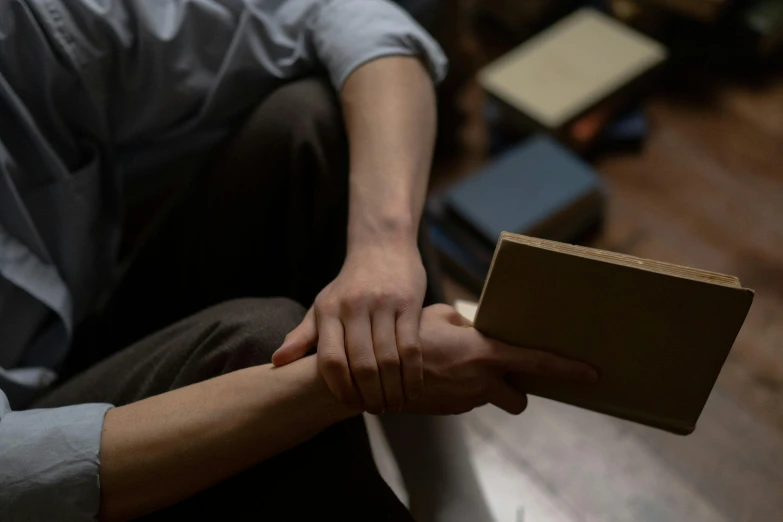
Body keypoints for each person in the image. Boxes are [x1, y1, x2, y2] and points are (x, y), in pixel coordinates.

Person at [0, 0, 598, 520]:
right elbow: (16, 474)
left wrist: (382, 249)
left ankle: (452, 503)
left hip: (66, 340)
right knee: (263, 346)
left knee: (311, 124)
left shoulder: (22, 26)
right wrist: (348, 380)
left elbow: (340, 15)